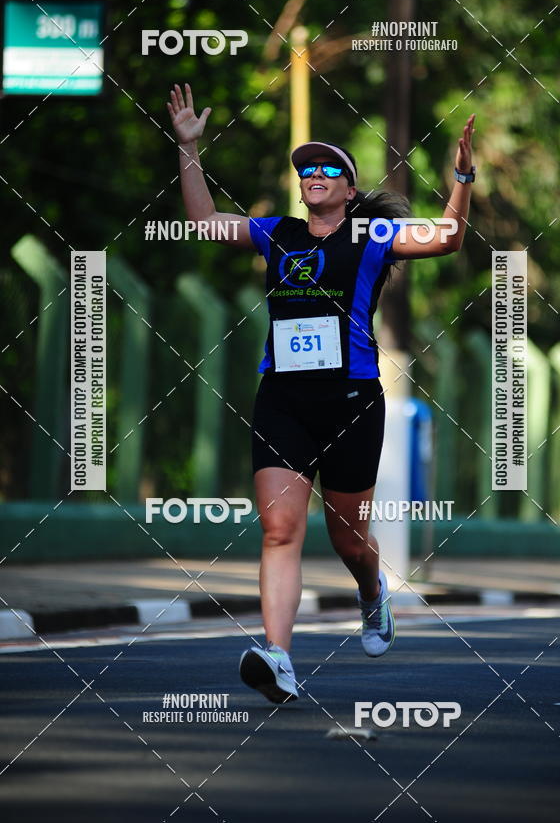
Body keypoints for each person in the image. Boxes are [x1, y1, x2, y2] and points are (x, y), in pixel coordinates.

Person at [167, 82, 475, 704]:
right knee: (280, 528)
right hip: (282, 397)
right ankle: (278, 656)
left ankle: (370, 589)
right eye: (306, 168)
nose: (314, 173)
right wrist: (189, 149)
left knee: (346, 538)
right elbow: (203, 222)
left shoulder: (372, 238)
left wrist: (463, 178)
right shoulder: (276, 233)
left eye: (329, 168)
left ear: (350, 189)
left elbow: (446, 236)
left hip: (352, 401)